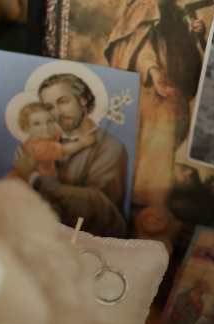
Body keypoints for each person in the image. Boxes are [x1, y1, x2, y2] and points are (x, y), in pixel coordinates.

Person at [104, 0, 209, 239]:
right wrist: (155, 73)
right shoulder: (150, 3)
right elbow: (140, 44)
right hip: (155, 91)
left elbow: (187, 57)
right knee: (154, 154)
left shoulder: (179, 12)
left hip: (174, 93)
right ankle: (149, 220)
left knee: (161, 151)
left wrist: (198, 36)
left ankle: (147, 217)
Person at [13, 73, 129, 237]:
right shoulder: (45, 142)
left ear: (82, 100)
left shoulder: (109, 147)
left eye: (63, 101)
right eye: (50, 107)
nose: (57, 112)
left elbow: (98, 204)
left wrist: (34, 179)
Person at [14, 101, 96, 179]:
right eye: (37, 124)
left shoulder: (43, 137)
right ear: (26, 128)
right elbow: (64, 150)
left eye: (49, 121)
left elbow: (58, 135)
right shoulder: (37, 146)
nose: (45, 127)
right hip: (42, 181)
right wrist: (82, 143)